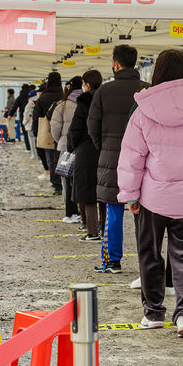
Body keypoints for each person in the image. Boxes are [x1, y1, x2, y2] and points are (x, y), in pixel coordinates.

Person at [117, 49, 183, 338]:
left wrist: (131, 194)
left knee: (150, 255)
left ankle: (153, 314)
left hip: (153, 198)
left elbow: (132, 157)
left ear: (157, 73)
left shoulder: (143, 109)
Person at [88, 45, 149, 274]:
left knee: (113, 212)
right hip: (144, 161)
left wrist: (104, 147)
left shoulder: (104, 91)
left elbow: (92, 127)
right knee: (142, 214)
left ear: (115, 64)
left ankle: (112, 261)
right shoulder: (148, 90)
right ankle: (147, 264)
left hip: (112, 159)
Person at [67, 70, 106, 242]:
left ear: (87, 84)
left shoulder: (84, 101)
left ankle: (92, 231)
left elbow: (75, 128)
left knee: (88, 192)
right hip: (106, 150)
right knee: (105, 192)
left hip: (86, 150)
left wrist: (72, 145)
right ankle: (106, 229)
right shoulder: (107, 98)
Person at [51, 76, 83, 223]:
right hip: (83, 147)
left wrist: (60, 140)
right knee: (81, 180)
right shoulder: (89, 101)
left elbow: (55, 127)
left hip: (65, 146)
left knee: (67, 180)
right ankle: (83, 213)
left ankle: (71, 213)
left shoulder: (62, 105)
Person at [33, 72, 63, 194]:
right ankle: (64, 183)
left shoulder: (43, 98)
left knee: (50, 159)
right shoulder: (64, 95)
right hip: (63, 132)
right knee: (62, 158)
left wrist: (36, 132)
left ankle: (57, 185)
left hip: (47, 132)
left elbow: (36, 116)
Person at [7, 84, 33, 151]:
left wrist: (10, 114)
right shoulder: (31, 96)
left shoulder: (20, 97)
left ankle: (28, 148)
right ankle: (34, 148)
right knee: (32, 134)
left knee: (25, 133)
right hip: (32, 117)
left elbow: (15, 106)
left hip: (23, 117)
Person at [23, 88, 39, 160]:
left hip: (29, 124)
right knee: (37, 140)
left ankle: (34, 155)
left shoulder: (29, 104)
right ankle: (38, 155)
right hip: (37, 124)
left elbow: (26, 115)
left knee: (32, 141)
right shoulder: (39, 101)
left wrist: (24, 123)